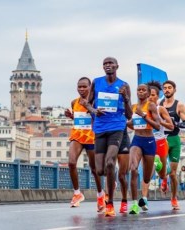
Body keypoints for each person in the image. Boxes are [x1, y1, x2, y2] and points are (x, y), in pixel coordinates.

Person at [85, 57, 132, 216]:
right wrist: (94, 111)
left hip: (117, 127)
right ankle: (111, 178)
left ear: (117, 66)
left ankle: (110, 203)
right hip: (100, 128)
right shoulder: (96, 82)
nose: (108, 65)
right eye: (105, 63)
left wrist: (125, 98)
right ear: (103, 67)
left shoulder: (124, 85)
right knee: (99, 170)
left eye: (111, 63)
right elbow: (87, 103)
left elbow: (130, 114)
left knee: (110, 162)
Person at [65, 77, 104, 211]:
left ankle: (100, 195)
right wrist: (70, 116)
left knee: (95, 169)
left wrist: (89, 107)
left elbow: (99, 116)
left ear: (90, 87)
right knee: (71, 162)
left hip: (91, 137)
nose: (81, 89)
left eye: (84, 87)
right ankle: (77, 193)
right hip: (77, 136)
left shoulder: (95, 101)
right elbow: (79, 118)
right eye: (79, 87)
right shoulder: (74, 102)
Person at [139, 81, 174, 211]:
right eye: (148, 95)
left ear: (157, 96)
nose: (150, 97)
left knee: (162, 173)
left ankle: (164, 176)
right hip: (147, 141)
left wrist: (160, 122)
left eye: (153, 95)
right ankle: (144, 199)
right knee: (146, 171)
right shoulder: (141, 109)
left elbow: (171, 126)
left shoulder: (160, 109)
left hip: (160, 142)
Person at [127, 84, 160, 214]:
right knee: (133, 169)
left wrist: (144, 116)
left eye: (143, 90)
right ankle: (135, 203)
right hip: (137, 140)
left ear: (147, 93)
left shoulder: (151, 106)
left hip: (149, 141)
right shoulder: (133, 107)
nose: (140, 92)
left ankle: (155, 163)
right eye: (138, 90)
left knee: (146, 178)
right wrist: (127, 124)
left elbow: (157, 125)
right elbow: (131, 122)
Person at [160, 80, 185, 210]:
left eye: (169, 88)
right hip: (162, 139)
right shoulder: (158, 105)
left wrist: (173, 124)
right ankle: (163, 178)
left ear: (174, 90)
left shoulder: (179, 105)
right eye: (165, 88)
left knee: (172, 173)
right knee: (159, 166)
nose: (167, 90)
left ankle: (174, 198)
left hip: (174, 139)